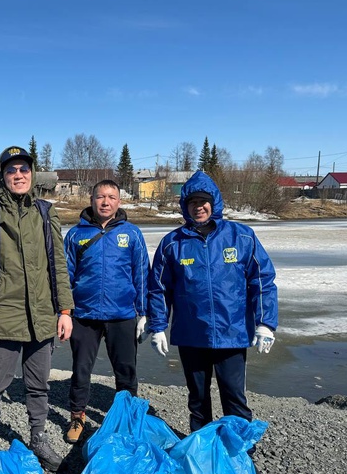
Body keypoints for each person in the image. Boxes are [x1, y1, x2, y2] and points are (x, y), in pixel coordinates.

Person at [0, 145, 74, 471]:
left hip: (41, 316)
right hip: (3, 318)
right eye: (12, 170)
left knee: (39, 384)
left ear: (32, 174)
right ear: (2, 176)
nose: (19, 175)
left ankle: (39, 437)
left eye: (24, 170)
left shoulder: (46, 213)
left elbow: (58, 264)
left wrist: (65, 311)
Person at [147, 170, 278, 435]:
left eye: (203, 201)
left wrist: (265, 323)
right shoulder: (173, 244)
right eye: (192, 202)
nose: (199, 207)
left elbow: (262, 281)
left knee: (235, 399)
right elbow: (159, 288)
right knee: (198, 400)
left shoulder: (241, 237)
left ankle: (241, 458)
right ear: (185, 206)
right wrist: (158, 326)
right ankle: (202, 454)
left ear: (214, 203)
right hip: (191, 334)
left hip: (232, 332)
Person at [62, 179, 150, 443]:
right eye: (101, 197)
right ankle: (77, 417)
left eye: (111, 197)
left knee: (126, 371)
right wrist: (64, 312)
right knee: (80, 369)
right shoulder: (76, 235)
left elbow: (142, 274)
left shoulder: (132, 233)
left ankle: (128, 419)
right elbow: (65, 276)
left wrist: (143, 313)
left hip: (122, 314)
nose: (105, 202)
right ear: (92, 199)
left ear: (119, 201)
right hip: (85, 315)